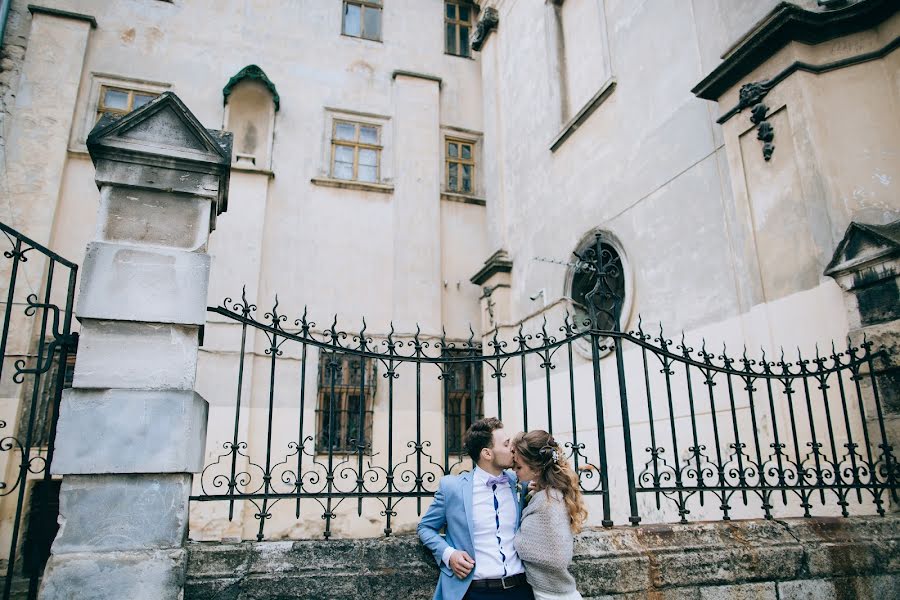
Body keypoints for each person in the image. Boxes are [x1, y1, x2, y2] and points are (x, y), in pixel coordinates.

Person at [418, 417, 535, 600]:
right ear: (487, 454)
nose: (513, 449)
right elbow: (425, 527)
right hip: (476, 591)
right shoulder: (453, 488)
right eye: (506, 445)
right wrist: (449, 554)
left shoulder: (520, 483)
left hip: (521, 589)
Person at [511, 430, 587, 600]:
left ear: (537, 470)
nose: (514, 471)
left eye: (519, 467)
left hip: (553, 595)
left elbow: (558, 557)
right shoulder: (546, 495)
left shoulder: (548, 501)